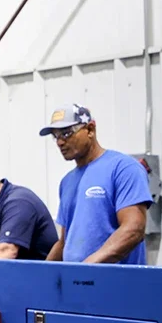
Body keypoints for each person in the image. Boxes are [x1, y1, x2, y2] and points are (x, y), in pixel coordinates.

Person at [39, 104, 152, 264]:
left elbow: (133, 229)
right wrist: (43, 272)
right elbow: (64, 242)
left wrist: (89, 267)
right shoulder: (67, 182)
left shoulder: (124, 168)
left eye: (66, 133)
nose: (60, 142)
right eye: (55, 136)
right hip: (78, 278)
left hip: (113, 279)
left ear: (90, 129)